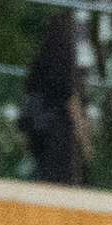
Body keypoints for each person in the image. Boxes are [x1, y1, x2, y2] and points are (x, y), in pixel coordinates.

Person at [18, 10, 89, 187]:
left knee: (45, 181)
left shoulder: (38, 65)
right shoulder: (64, 67)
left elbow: (29, 99)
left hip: (40, 132)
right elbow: (70, 100)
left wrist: (28, 138)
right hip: (60, 133)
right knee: (63, 183)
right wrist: (85, 139)